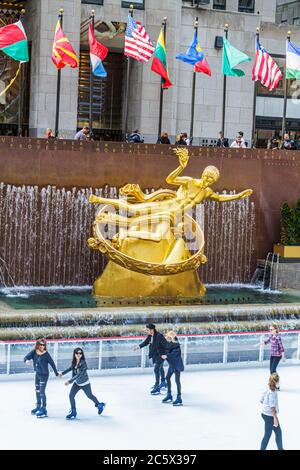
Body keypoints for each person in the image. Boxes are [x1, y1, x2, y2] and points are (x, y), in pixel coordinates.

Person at [60, 347, 106, 420]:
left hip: (85, 383)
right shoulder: (74, 362)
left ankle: (100, 405)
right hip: (77, 383)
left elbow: (79, 375)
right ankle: (73, 412)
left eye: (80, 353)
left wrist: (69, 381)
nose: (78, 354)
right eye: (77, 353)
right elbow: (70, 368)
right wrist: (62, 373)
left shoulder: (83, 363)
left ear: (82, 354)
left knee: (89, 396)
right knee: (71, 396)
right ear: (74, 354)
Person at [24, 338, 59, 418]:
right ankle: (38, 406)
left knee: (42, 392)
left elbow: (52, 363)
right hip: (38, 374)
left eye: (43, 345)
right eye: (40, 344)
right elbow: (26, 357)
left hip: (44, 375)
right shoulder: (34, 352)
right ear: (37, 345)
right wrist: (27, 361)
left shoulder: (46, 354)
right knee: (37, 390)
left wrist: (56, 373)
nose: (42, 346)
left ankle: (44, 409)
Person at [133, 323, 167, 395]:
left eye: (147, 330)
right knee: (160, 368)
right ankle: (163, 382)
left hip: (161, 355)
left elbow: (166, 344)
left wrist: (166, 354)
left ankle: (157, 386)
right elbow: (145, 343)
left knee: (156, 369)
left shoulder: (159, 336)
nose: (146, 331)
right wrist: (138, 347)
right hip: (155, 355)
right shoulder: (150, 336)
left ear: (152, 330)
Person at [260, 373, 284, 450]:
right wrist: (275, 418)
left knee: (278, 432)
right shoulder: (272, 392)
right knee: (267, 435)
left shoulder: (266, 387)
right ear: (276, 382)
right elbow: (272, 407)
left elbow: (261, 400)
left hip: (264, 414)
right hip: (269, 416)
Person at [161, 330, 184, 406]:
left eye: (167, 337)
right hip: (172, 364)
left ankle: (179, 397)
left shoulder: (176, 345)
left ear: (170, 338)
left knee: (177, 381)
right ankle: (169, 395)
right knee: (167, 378)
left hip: (177, 364)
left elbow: (174, 354)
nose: (166, 339)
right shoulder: (169, 344)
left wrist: (167, 356)